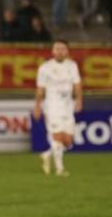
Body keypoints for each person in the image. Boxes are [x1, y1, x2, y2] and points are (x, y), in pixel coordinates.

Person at [33, 40, 82, 177]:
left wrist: (79, 100)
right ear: (52, 51)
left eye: (63, 49)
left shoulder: (72, 66)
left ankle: (47, 155)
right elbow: (40, 89)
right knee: (57, 137)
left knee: (68, 141)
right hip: (52, 107)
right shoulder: (45, 68)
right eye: (57, 48)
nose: (60, 51)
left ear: (67, 51)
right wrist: (37, 105)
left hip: (68, 106)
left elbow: (77, 84)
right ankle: (60, 169)